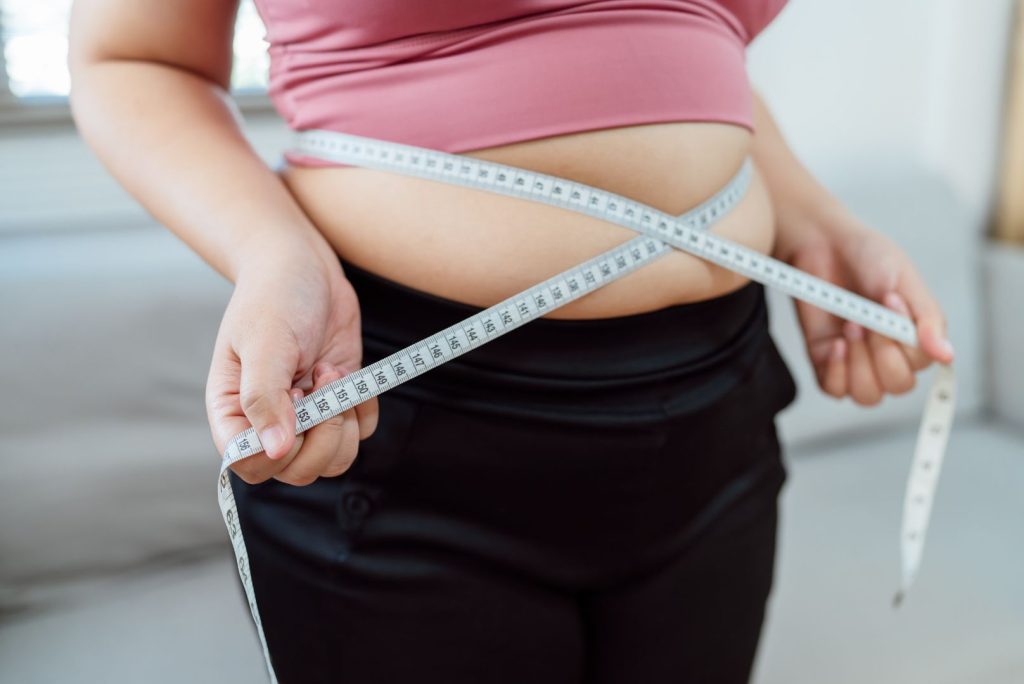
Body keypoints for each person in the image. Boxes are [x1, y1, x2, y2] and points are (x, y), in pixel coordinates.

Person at [69, 1, 954, 682]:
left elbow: (684, 37)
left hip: (717, 405)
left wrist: (816, 220)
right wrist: (271, 251)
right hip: (396, 412)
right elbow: (132, 57)